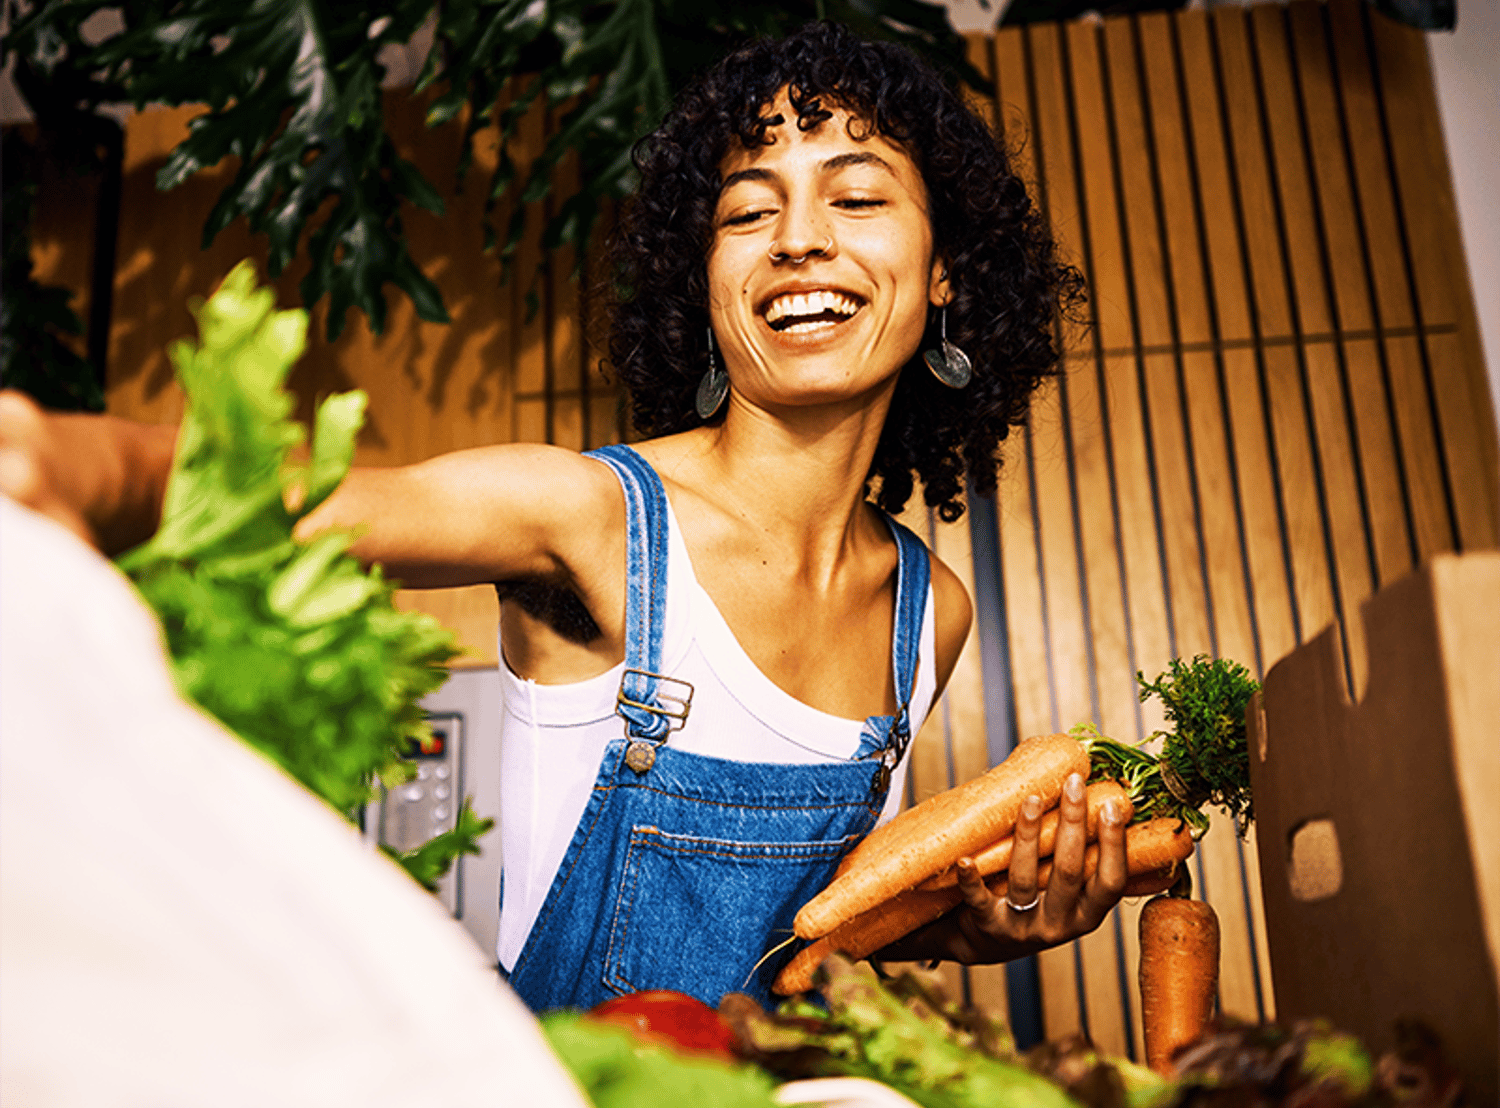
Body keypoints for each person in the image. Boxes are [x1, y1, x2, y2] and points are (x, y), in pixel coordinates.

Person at [0, 21, 1126, 1012]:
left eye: (859, 195)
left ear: (944, 273)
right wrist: (62, 458)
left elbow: (814, 932)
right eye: (749, 209)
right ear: (707, 276)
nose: (799, 237)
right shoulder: (589, 517)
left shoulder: (928, 614)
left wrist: (970, 928)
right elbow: (309, 497)